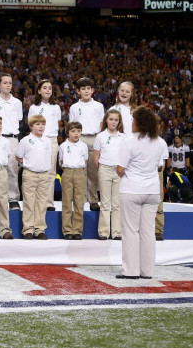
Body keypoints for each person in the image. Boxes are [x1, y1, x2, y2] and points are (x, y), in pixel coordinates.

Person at [116, 106, 168, 279]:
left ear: (139, 122)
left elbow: (120, 169)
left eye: (133, 120)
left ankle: (131, 271)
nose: (131, 123)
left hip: (132, 190)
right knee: (148, 231)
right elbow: (160, 166)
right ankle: (147, 271)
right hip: (152, 191)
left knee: (130, 231)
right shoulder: (160, 142)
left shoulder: (129, 141)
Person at [0, 73, 23, 210]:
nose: (8, 85)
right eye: (5, 83)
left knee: (12, 169)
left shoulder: (17, 103)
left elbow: (18, 120)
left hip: (12, 139)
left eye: (10, 83)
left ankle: (13, 198)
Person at [68, 77, 105, 210]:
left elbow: (102, 124)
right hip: (80, 139)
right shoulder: (74, 107)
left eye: (88, 88)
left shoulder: (99, 106)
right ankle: (80, 200)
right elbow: (72, 125)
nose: (86, 91)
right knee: (79, 172)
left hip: (95, 138)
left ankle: (93, 200)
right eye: (83, 89)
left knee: (94, 172)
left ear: (93, 90)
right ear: (78, 91)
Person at [16, 114, 53, 240]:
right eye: (37, 124)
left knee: (42, 203)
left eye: (43, 124)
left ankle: (40, 229)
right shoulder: (25, 140)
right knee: (29, 202)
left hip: (44, 174)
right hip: (30, 174)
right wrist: (28, 164)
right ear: (31, 126)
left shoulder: (48, 141)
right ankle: (28, 229)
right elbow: (18, 156)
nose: (41, 127)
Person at [27, 79, 62, 211]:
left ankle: (48, 202)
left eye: (50, 88)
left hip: (52, 140)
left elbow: (57, 124)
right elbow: (31, 126)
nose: (48, 90)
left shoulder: (56, 107)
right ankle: (35, 200)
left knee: (51, 172)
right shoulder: (34, 108)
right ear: (39, 91)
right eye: (45, 87)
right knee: (36, 170)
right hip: (37, 140)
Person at [93, 109, 127, 240]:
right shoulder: (100, 136)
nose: (113, 122)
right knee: (105, 202)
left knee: (117, 203)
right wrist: (101, 168)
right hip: (105, 169)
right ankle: (103, 232)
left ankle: (117, 232)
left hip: (118, 171)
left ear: (119, 122)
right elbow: (96, 157)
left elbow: (126, 156)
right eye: (111, 119)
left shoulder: (124, 137)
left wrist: (121, 170)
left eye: (116, 120)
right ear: (106, 120)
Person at [59, 121, 88, 240]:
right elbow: (61, 162)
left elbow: (85, 160)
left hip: (80, 173)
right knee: (66, 202)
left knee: (79, 202)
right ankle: (67, 230)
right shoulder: (63, 146)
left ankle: (77, 230)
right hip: (67, 172)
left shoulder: (83, 146)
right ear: (67, 133)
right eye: (73, 131)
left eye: (78, 131)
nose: (76, 133)